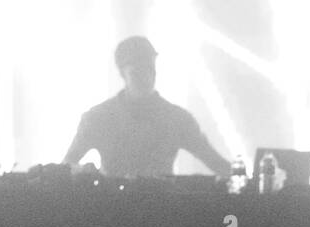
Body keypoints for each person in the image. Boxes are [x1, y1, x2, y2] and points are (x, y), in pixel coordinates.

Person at [62, 36, 230, 178]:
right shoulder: (97, 118)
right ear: (122, 73)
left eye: (149, 69)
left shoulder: (177, 119)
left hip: (156, 210)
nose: (146, 77)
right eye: (137, 72)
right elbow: (67, 166)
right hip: (114, 211)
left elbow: (217, 163)